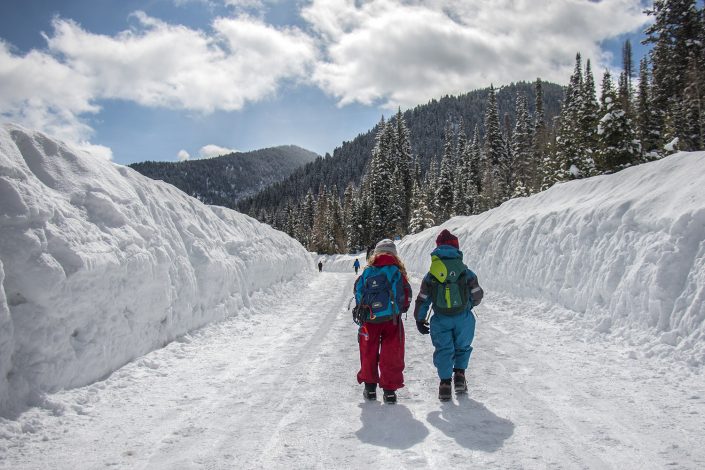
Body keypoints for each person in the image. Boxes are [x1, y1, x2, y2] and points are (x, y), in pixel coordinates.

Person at [413, 229, 484, 401]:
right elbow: (477, 294)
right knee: (462, 346)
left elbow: (423, 299)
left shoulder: (432, 274)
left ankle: (445, 385)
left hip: (440, 319)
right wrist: (468, 305)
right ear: (456, 248)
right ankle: (459, 377)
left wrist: (420, 319)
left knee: (444, 349)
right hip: (463, 318)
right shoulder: (465, 271)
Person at [353, 239, 412, 404]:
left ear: (375, 254)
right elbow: (406, 294)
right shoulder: (396, 271)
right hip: (391, 320)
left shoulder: (367, 271)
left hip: (370, 319)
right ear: (394, 254)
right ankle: (389, 391)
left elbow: (358, 291)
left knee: (368, 352)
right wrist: (402, 309)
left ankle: (370, 389)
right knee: (392, 353)